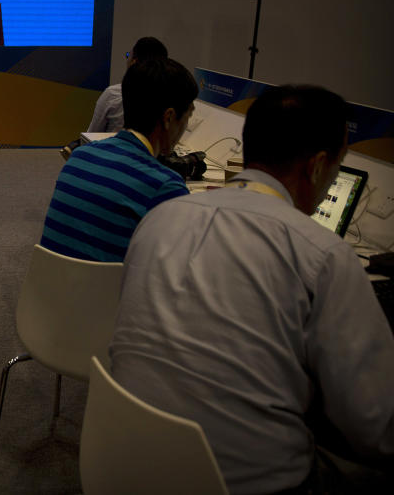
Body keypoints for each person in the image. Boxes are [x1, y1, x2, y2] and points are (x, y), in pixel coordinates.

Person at [110, 85, 394, 494]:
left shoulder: (161, 218)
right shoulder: (324, 255)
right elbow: (373, 427)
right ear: (317, 167)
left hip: (122, 456)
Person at [40, 57, 196, 262]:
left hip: (46, 290)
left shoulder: (79, 156)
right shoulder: (165, 186)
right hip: (109, 293)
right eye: (188, 117)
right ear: (168, 118)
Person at [59, 36, 168, 159]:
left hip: (109, 159)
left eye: (128, 55)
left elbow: (91, 136)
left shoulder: (113, 94)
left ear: (134, 62)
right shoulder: (169, 97)